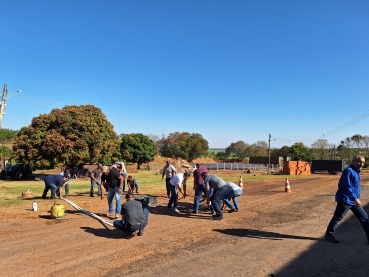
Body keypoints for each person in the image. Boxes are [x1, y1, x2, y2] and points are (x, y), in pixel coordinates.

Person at [324, 155, 369, 244]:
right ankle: (329, 235)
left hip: (353, 200)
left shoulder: (357, 171)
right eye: (359, 161)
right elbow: (346, 186)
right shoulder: (348, 171)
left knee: (365, 218)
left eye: (363, 162)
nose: (361, 164)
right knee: (337, 218)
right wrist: (355, 198)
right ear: (353, 161)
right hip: (345, 200)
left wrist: (355, 198)